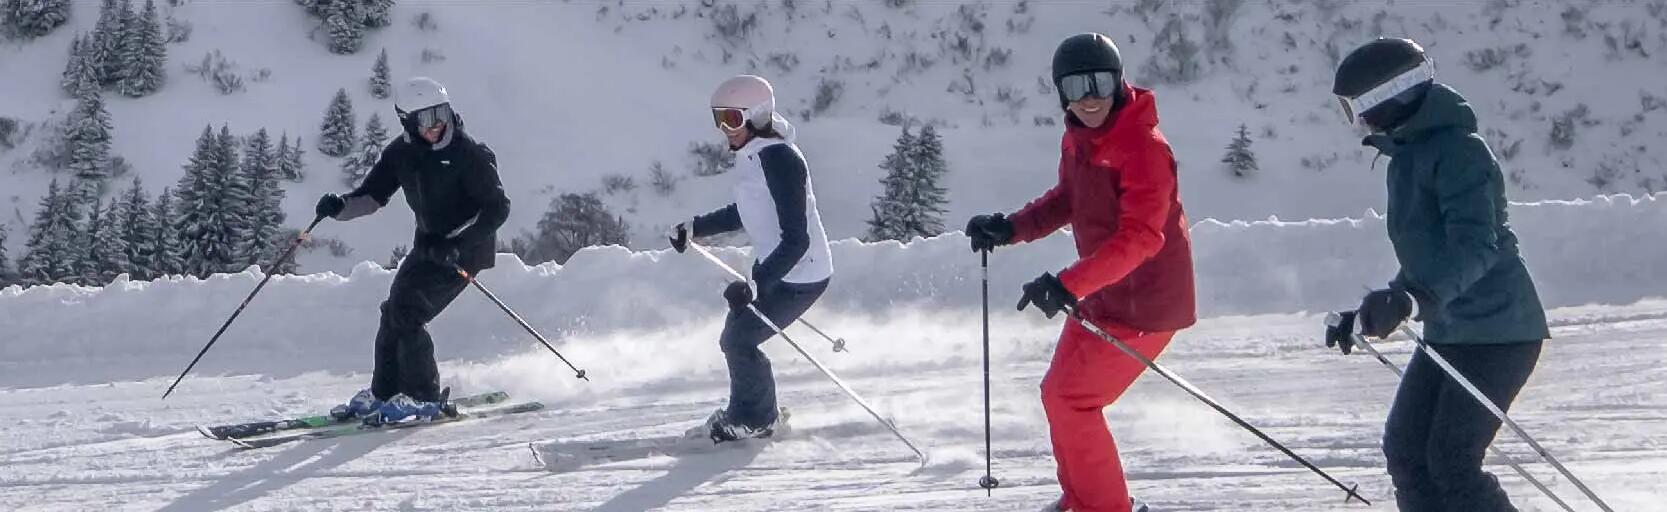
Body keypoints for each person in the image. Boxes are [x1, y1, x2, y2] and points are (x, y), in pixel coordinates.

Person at [965, 33, 1194, 512]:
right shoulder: (1080, 137)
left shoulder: (1143, 146)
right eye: (1075, 87)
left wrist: (1069, 283)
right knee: (1059, 396)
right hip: (1105, 294)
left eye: (1099, 83)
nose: (1089, 97)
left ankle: (1105, 507)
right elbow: (1069, 199)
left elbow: (1143, 238)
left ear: (1118, 82)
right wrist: (1010, 228)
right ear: (1060, 93)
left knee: (1074, 402)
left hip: (1147, 303)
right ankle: (1083, 498)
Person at [1323, 38, 1550, 512]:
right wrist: (1377, 310)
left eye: (1360, 106)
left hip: (1500, 331)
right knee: (1406, 453)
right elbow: (1428, 255)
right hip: (1451, 329)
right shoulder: (1406, 156)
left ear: (1396, 95)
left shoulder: (1461, 152)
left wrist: (1414, 300)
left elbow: (1476, 246)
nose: (1358, 119)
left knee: (1452, 461)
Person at [314, 77, 511, 424]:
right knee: (393, 311)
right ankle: (384, 393)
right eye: (425, 118)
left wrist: (456, 244)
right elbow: (373, 195)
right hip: (427, 248)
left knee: (408, 313)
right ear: (407, 122)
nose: (436, 124)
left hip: (464, 251)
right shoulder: (402, 153)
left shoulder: (468, 154)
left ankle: (423, 398)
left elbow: (497, 208)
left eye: (440, 113)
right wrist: (339, 207)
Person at [668, 75, 833, 443]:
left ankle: (756, 419)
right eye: (719, 119)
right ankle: (755, 412)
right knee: (737, 337)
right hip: (777, 268)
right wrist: (696, 227)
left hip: (801, 273)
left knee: (740, 339)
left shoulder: (781, 160)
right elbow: (750, 210)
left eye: (732, 118)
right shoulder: (754, 154)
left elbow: (797, 239)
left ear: (757, 115)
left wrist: (757, 285)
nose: (725, 129)